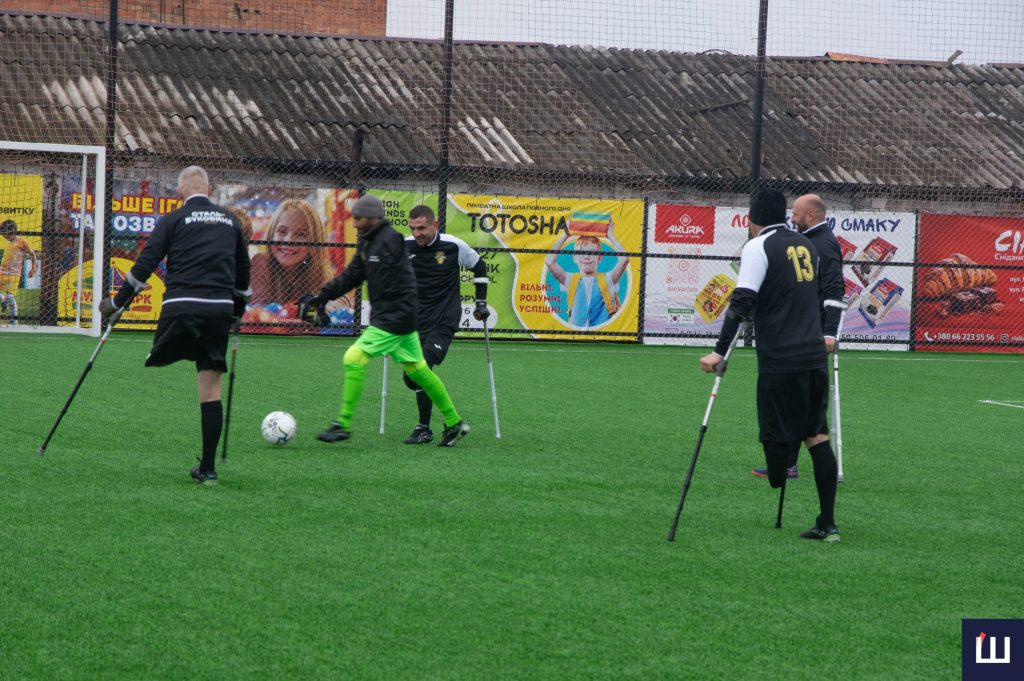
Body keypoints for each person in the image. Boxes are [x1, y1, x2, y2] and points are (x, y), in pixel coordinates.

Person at [700, 189, 840, 542]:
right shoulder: (806, 245)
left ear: (752, 220)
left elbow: (742, 301)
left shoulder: (756, 246)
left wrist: (719, 352)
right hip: (813, 357)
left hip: (780, 359)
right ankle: (827, 523)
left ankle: (780, 471)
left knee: (775, 447)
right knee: (817, 436)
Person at [100, 166, 251, 485]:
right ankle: (208, 469)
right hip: (218, 311)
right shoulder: (231, 221)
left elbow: (145, 264)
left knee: (169, 350)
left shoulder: (173, 219)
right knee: (210, 389)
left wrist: (117, 303)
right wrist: (236, 314)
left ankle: (161, 352)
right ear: (209, 188)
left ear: (180, 191)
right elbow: (242, 275)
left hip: (180, 309)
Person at [300, 194, 470, 447]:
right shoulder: (367, 242)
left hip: (394, 319)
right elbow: (352, 275)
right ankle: (454, 422)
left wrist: (393, 315)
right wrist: (321, 298)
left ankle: (343, 424)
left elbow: (403, 282)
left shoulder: (390, 241)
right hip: (399, 319)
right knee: (419, 371)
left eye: (358, 218)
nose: (354, 223)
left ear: (372, 218)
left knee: (353, 358)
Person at [752, 193, 845, 481]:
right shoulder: (805, 241)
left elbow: (834, 289)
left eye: (796, 214)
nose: (791, 219)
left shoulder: (824, 244)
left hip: (811, 335)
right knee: (795, 401)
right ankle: (787, 463)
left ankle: (788, 464)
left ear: (811, 215)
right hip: (803, 332)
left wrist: (829, 332)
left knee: (803, 406)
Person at [401, 204, 490, 444]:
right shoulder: (405, 246)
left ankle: (425, 428)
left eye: (422, 228)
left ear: (435, 225)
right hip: (415, 321)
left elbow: (480, 267)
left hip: (444, 319)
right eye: (413, 228)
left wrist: (481, 302)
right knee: (411, 377)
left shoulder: (453, 246)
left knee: (421, 366)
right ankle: (440, 426)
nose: (417, 233)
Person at [248, 199, 352, 316]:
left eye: (301, 234)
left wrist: (330, 305)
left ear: (314, 242)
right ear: (271, 234)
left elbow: (342, 298)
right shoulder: (262, 262)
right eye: (282, 231)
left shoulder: (317, 270)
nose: (289, 240)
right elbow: (261, 309)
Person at [545, 220, 628, 327]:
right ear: (575, 258)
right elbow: (549, 261)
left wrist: (610, 235)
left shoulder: (608, 278)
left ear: (599, 257)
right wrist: (565, 234)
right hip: (576, 332)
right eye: (581, 252)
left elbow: (624, 260)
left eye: (591, 252)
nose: (586, 256)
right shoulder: (570, 279)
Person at [0, 219, 38, 324]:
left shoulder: (22, 242)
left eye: (5, 234)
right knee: (6, 296)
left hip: (14, 274)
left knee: (10, 296)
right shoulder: (9, 243)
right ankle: (3, 300)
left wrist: (33, 268)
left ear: (12, 232)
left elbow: (32, 254)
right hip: (2, 271)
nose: (3, 236)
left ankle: (14, 320)